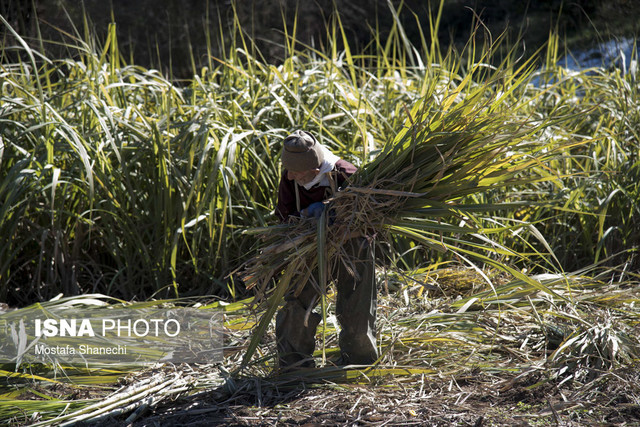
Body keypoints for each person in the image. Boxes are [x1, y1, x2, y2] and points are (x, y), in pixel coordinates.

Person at [274, 130, 378, 369]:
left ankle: (358, 364)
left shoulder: (346, 175)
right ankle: (294, 367)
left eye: (296, 172)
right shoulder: (290, 179)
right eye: (288, 170)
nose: (290, 176)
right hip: (309, 247)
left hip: (353, 248)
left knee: (357, 307)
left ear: (314, 169)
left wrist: (341, 225)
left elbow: (373, 220)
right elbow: (283, 218)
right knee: (298, 301)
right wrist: (305, 218)